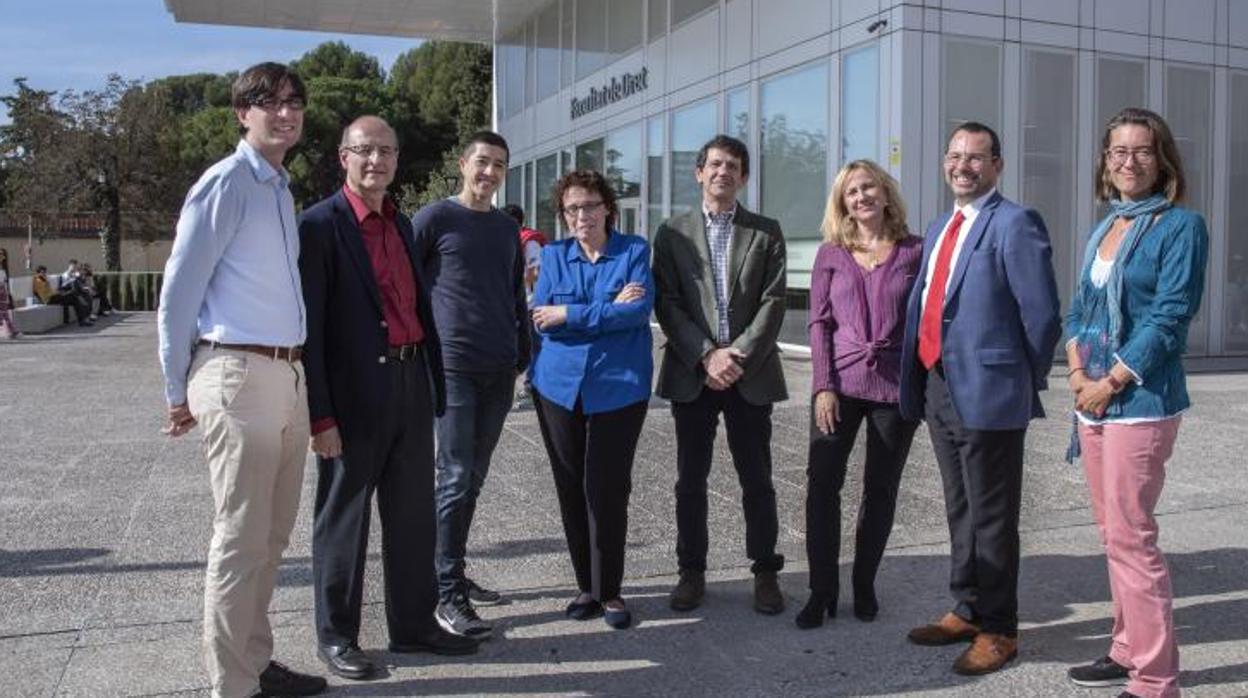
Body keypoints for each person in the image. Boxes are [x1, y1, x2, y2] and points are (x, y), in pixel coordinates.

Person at [156, 62, 326, 698]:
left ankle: (255, 662)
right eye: (269, 102)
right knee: (240, 537)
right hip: (236, 370)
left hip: (285, 374)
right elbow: (179, 293)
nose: (285, 112)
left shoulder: (278, 188)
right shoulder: (226, 183)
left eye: (293, 102)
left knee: (273, 537)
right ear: (241, 113)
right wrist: (176, 389)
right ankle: (234, 686)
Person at [298, 116, 478, 681]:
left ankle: (414, 625)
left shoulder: (401, 223)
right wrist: (320, 414)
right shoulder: (319, 226)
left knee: (412, 515)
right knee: (343, 519)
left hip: (410, 382)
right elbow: (313, 333)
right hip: (353, 396)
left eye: (386, 152)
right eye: (365, 151)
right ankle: (337, 636)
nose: (376, 161)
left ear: (398, 160)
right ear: (342, 157)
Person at [898, 121, 1062, 675]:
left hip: (990, 392)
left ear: (997, 165)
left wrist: (1017, 377)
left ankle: (999, 629)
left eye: (975, 157)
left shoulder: (1015, 223)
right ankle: (967, 608)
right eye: (954, 156)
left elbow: (1041, 316)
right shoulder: (942, 223)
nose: (962, 165)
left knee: (993, 518)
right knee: (959, 508)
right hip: (938, 385)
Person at [1063, 108, 1207, 698]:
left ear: (1162, 159)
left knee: (1133, 537)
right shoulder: (1106, 227)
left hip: (1140, 400)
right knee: (1113, 534)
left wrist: (1110, 381)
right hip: (1090, 399)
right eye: (1118, 151)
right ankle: (1127, 648)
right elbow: (1079, 308)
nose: (1128, 161)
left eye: (1142, 151)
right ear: (1105, 161)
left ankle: (1155, 679)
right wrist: (1076, 372)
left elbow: (1171, 315)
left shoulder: (1181, 226)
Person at [653, 134, 789, 615]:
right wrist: (707, 355)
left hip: (749, 376)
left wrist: (736, 357)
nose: (722, 172)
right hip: (694, 374)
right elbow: (666, 302)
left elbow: (774, 302)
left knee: (758, 479)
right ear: (699, 173)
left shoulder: (766, 231)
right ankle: (691, 572)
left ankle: (766, 572)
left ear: (743, 176)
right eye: (714, 164)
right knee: (690, 480)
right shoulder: (671, 232)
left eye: (732, 166)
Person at [411, 130, 530, 639]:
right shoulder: (435, 219)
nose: (489, 173)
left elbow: (513, 295)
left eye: (499, 165)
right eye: (482, 162)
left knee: (472, 480)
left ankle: (452, 569)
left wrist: (524, 351)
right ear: (463, 164)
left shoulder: (506, 229)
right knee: (455, 477)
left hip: (498, 369)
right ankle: (444, 592)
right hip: (453, 367)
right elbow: (405, 287)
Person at [798, 160, 922, 629]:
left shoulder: (915, 251)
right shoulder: (831, 253)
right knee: (822, 486)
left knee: (881, 490)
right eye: (851, 192)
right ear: (842, 202)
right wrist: (823, 386)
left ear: (886, 194)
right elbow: (819, 323)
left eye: (868, 187)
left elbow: (926, 321)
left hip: (894, 389)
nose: (861, 197)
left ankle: (864, 584)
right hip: (841, 386)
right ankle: (820, 590)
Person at [529, 170, 653, 630]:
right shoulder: (555, 256)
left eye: (590, 205)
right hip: (558, 388)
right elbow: (542, 318)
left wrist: (572, 313)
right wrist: (603, 311)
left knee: (607, 488)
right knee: (570, 486)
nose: (582, 215)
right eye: (572, 208)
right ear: (564, 215)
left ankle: (612, 590)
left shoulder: (634, 250)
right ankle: (586, 586)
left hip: (619, 387)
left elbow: (638, 311)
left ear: (607, 208)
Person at [502, 203, 548, 408]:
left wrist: (519, 284)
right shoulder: (507, 239)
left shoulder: (529, 241)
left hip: (530, 304)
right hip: (510, 304)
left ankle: (531, 388)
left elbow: (536, 270)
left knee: (531, 348)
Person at [0, 248, 19, 338]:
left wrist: (8, 296)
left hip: (3, 292)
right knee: (4, 313)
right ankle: (10, 331)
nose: (1, 257)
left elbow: (5, 283)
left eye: (2, 255)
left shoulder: (3, 270)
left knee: (5, 313)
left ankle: (11, 331)